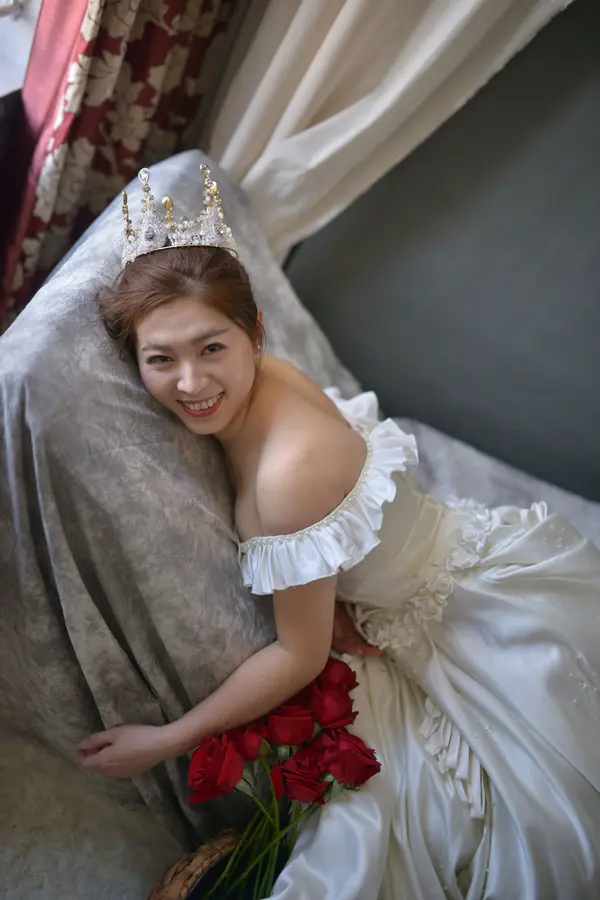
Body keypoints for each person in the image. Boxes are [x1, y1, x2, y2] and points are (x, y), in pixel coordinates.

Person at [79, 166, 600, 899]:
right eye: (161, 359)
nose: (191, 383)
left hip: (459, 617)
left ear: (255, 332)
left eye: (211, 348)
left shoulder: (287, 478)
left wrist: (166, 739)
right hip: (432, 554)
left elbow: (298, 655)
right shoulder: (273, 376)